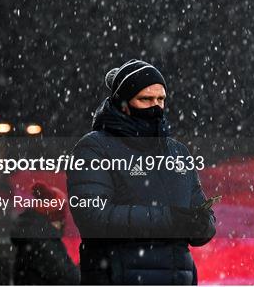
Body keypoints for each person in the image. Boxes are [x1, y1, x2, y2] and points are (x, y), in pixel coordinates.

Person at [67, 59, 216, 285]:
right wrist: (170, 220)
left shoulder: (178, 152)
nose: (156, 106)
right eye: (146, 99)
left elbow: (203, 216)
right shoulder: (94, 148)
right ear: (123, 103)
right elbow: (93, 217)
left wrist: (201, 225)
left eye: (161, 99)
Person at [10, 181, 80, 285]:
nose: (63, 223)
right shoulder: (45, 242)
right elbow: (67, 277)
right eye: (61, 218)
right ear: (54, 218)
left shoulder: (32, 235)